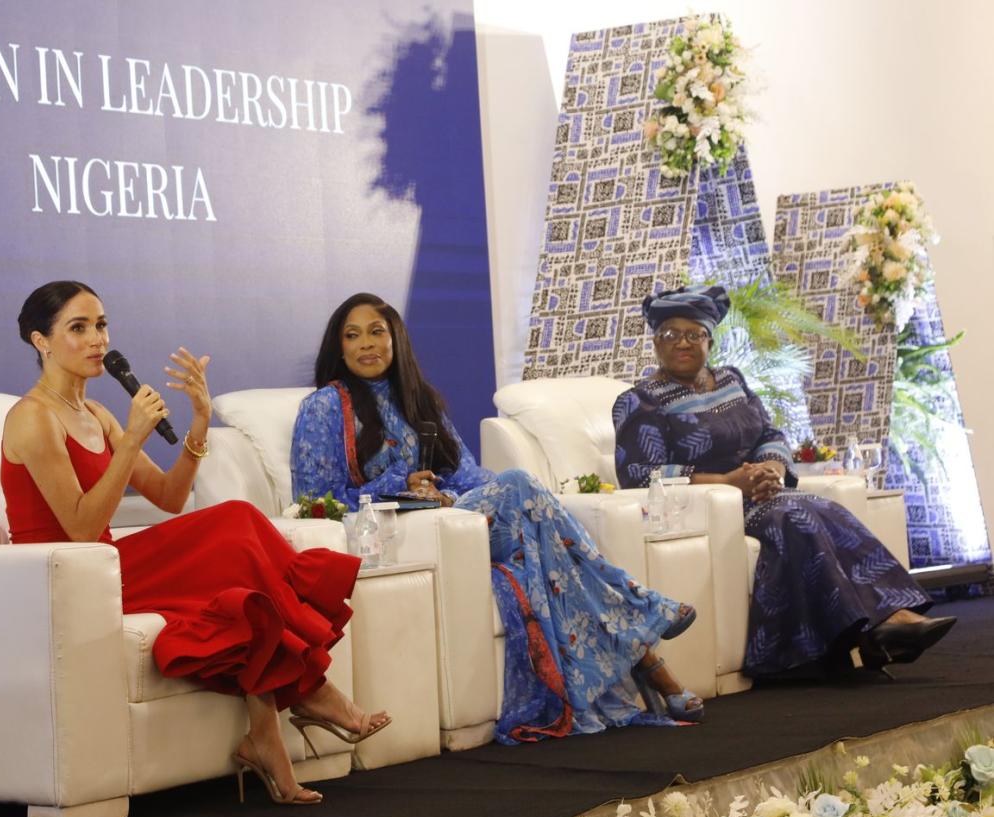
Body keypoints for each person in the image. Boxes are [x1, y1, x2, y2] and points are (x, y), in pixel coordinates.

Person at [0, 281, 389, 806]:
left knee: (241, 532)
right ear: (40, 341)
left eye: (101, 325)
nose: (97, 340)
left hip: (103, 565)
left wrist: (199, 422)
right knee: (235, 526)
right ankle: (311, 693)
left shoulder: (98, 415)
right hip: (63, 577)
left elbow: (169, 496)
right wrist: (133, 438)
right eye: (78, 328)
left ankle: (267, 736)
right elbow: (77, 526)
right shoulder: (32, 416)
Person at [290, 293, 703, 742]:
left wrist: (443, 495)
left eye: (377, 332)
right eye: (353, 336)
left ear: (396, 340)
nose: (366, 345)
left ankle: (648, 655)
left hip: (452, 524)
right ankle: (644, 628)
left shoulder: (420, 400)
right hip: (395, 531)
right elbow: (316, 500)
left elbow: (468, 474)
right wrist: (396, 485)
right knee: (519, 484)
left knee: (536, 538)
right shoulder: (326, 407)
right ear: (339, 345)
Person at [612, 285, 956, 678]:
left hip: (762, 492)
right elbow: (640, 475)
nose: (683, 343)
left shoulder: (730, 380)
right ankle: (877, 629)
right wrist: (726, 482)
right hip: (705, 507)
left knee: (824, 507)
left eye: (695, 334)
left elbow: (769, 434)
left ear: (710, 339)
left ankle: (886, 621)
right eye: (670, 334)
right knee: (797, 517)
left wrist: (771, 468)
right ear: (655, 342)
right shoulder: (639, 401)